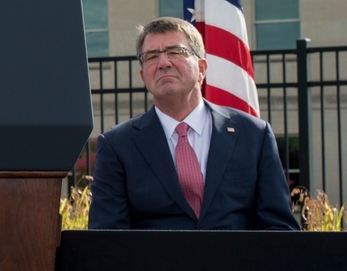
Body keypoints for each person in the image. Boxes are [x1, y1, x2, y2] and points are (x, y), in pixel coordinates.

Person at [88, 17, 298, 230]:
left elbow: (279, 229)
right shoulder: (117, 145)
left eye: (175, 52)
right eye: (151, 56)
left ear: (201, 69)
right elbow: (107, 239)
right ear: (144, 76)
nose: (163, 63)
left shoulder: (253, 135)